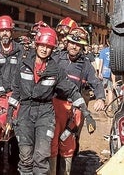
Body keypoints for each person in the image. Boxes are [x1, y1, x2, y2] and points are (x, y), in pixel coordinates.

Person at [6, 27, 95, 175]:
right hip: (25, 114)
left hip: (45, 114)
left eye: (49, 47)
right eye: (42, 45)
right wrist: (9, 115)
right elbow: (16, 92)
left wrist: (87, 113)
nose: (45, 49)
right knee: (26, 158)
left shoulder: (56, 70)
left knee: (41, 158)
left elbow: (72, 91)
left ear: (53, 49)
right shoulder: (23, 66)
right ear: (36, 44)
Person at [51, 27, 105, 175]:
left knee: (69, 144)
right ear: (67, 43)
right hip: (53, 106)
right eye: (72, 43)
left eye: (78, 44)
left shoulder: (86, 64)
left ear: (82, 47)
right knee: (51, 142)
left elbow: (96, 82)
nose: (74, 46)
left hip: (72, 110)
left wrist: (100, 97)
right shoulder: (56, 58)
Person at [0, 15, 23, 169]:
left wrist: (16, 91)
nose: (5, 34)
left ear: (11, 31)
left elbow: (20, 70)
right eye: (2, 31)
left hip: (16, 94)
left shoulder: (20, 49)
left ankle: (14, 159)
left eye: (7, 30)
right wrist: (0, 89)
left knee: (15, 127)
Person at [98, 41, 116, 112]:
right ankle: (110, 107)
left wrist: (99, 72)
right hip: (113, 73)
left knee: (104, 90)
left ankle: (103, 105)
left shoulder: (103, 51)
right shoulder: (115, 52)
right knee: (110, 90)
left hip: (104, 72)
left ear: (107, 43)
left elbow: (101, 62)